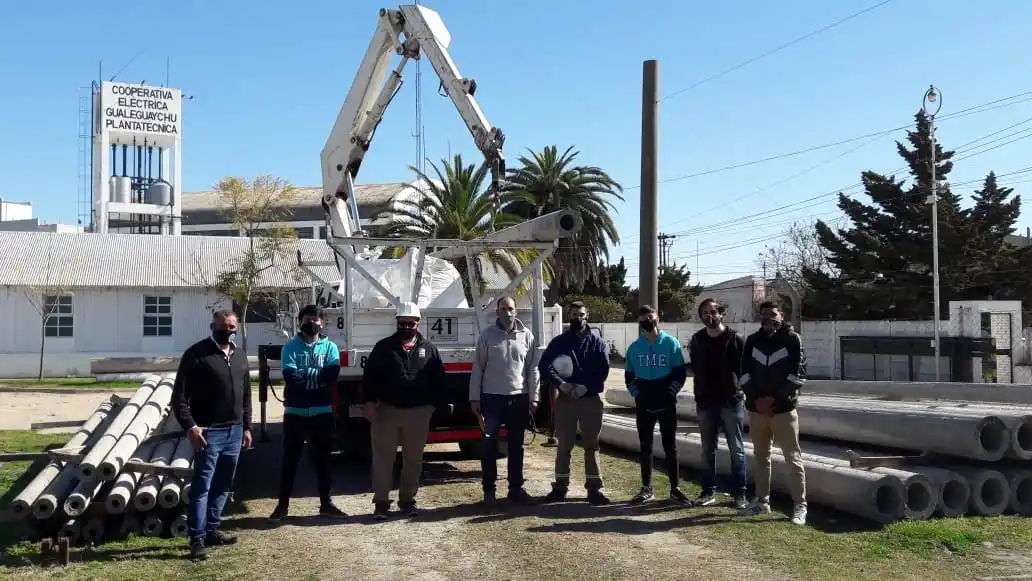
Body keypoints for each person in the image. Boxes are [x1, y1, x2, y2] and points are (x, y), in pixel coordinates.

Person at [171, 310, 252, 561]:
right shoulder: (196, 355)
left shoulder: (239, 356)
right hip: (208, 433)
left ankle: (212, 530)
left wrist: (247, 427)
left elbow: (246, 394)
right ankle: (196, 539)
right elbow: (179, 397)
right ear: (212, 327)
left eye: (232, 327)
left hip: (234, 432)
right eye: (223, 327)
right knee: (202, 487)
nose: (228, 331)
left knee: (223, 485)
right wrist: (191, 427)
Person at [362, 301, 447, 520]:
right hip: (387, 411)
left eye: (411, 323)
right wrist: (369, 403)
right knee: (383, 459)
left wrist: (434, 407)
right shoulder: (383, 348)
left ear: (418, 323)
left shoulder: (429, 349)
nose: (407, 327)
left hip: (418, 413)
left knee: (413, 459)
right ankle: (381, 503)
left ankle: (407, 501)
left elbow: (439, 379)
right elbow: (370, 377)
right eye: (403, 323)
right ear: (397, 322)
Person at [268, 305, 346, 522]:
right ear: (299, 322)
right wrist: (317, 378)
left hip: (322, 411)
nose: (312, 323)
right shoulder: (290, 348)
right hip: (295, 411)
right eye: (307, 320)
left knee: (323, 460)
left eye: (316, 319)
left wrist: (306, 376)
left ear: (322, 323)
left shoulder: (330, 348)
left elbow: (331, 376)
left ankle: (326, 504)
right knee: (290, 460)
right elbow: (291, 378)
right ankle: (282, 505)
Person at [738, 300, 808, 525]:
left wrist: (773, 400)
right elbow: (744, 372)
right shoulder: (752, 341)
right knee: (761, 457)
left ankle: (800, 505)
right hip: (757, 411)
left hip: (783, 411)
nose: (768, 318)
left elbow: (798, 374)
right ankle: (762, 501)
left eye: (773, 314)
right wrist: (755, 400)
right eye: (764, 314)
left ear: (781, 316)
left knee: (792, 458)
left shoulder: (793, 339)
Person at [538, 301, 611, 505]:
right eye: (573, 315)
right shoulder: (560, 342)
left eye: (581, 314)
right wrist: (561, 384)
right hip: (566, 399)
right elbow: (544, 365)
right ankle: (560, 488)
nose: (577, 318)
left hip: (590, 400)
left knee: (592, 445)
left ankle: (595, 489)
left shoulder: (598, 343)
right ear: (568, 317)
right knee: (564, 445)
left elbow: (603, 370)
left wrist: (586, 387)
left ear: (587, 316)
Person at [469, 296, 540, 505]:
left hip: (518, 399)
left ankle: (516, 489)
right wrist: (474, 398)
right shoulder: (486, 336)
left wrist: (534, 397)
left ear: (516, 311)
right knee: (488, 445)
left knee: (516, 447)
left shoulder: (527, 336)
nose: (507, 312)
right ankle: (489, 491)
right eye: (502, 309)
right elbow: (478, 367)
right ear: (497, 311)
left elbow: (532, 369)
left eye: (510, 308)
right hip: (491, 400)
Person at [624, 305, 690, 505]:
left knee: (670, 446)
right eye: (643, 319)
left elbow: (680, 374)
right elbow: (629, 377)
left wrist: (670, 393)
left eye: (650, 317)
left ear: (658, 318)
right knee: (645, 446)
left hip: (666, 403)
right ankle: (646, 489)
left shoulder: (671, 343)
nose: (647, 322)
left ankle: (675, 489)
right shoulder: (634, 347)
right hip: (644, 404)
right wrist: (637, 395)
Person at [687, 298, 749, 509]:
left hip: (731, 401)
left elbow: (744, 369)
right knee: (707, 450)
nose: (709, 316)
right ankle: (708, 492)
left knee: (737, 449)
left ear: (722, 314)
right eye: (705, 313)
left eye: (713, 312)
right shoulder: (697, 340)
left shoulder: (735, 338)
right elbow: (696, 368)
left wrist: (742, 391)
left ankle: (740, 494)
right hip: (706, 402)